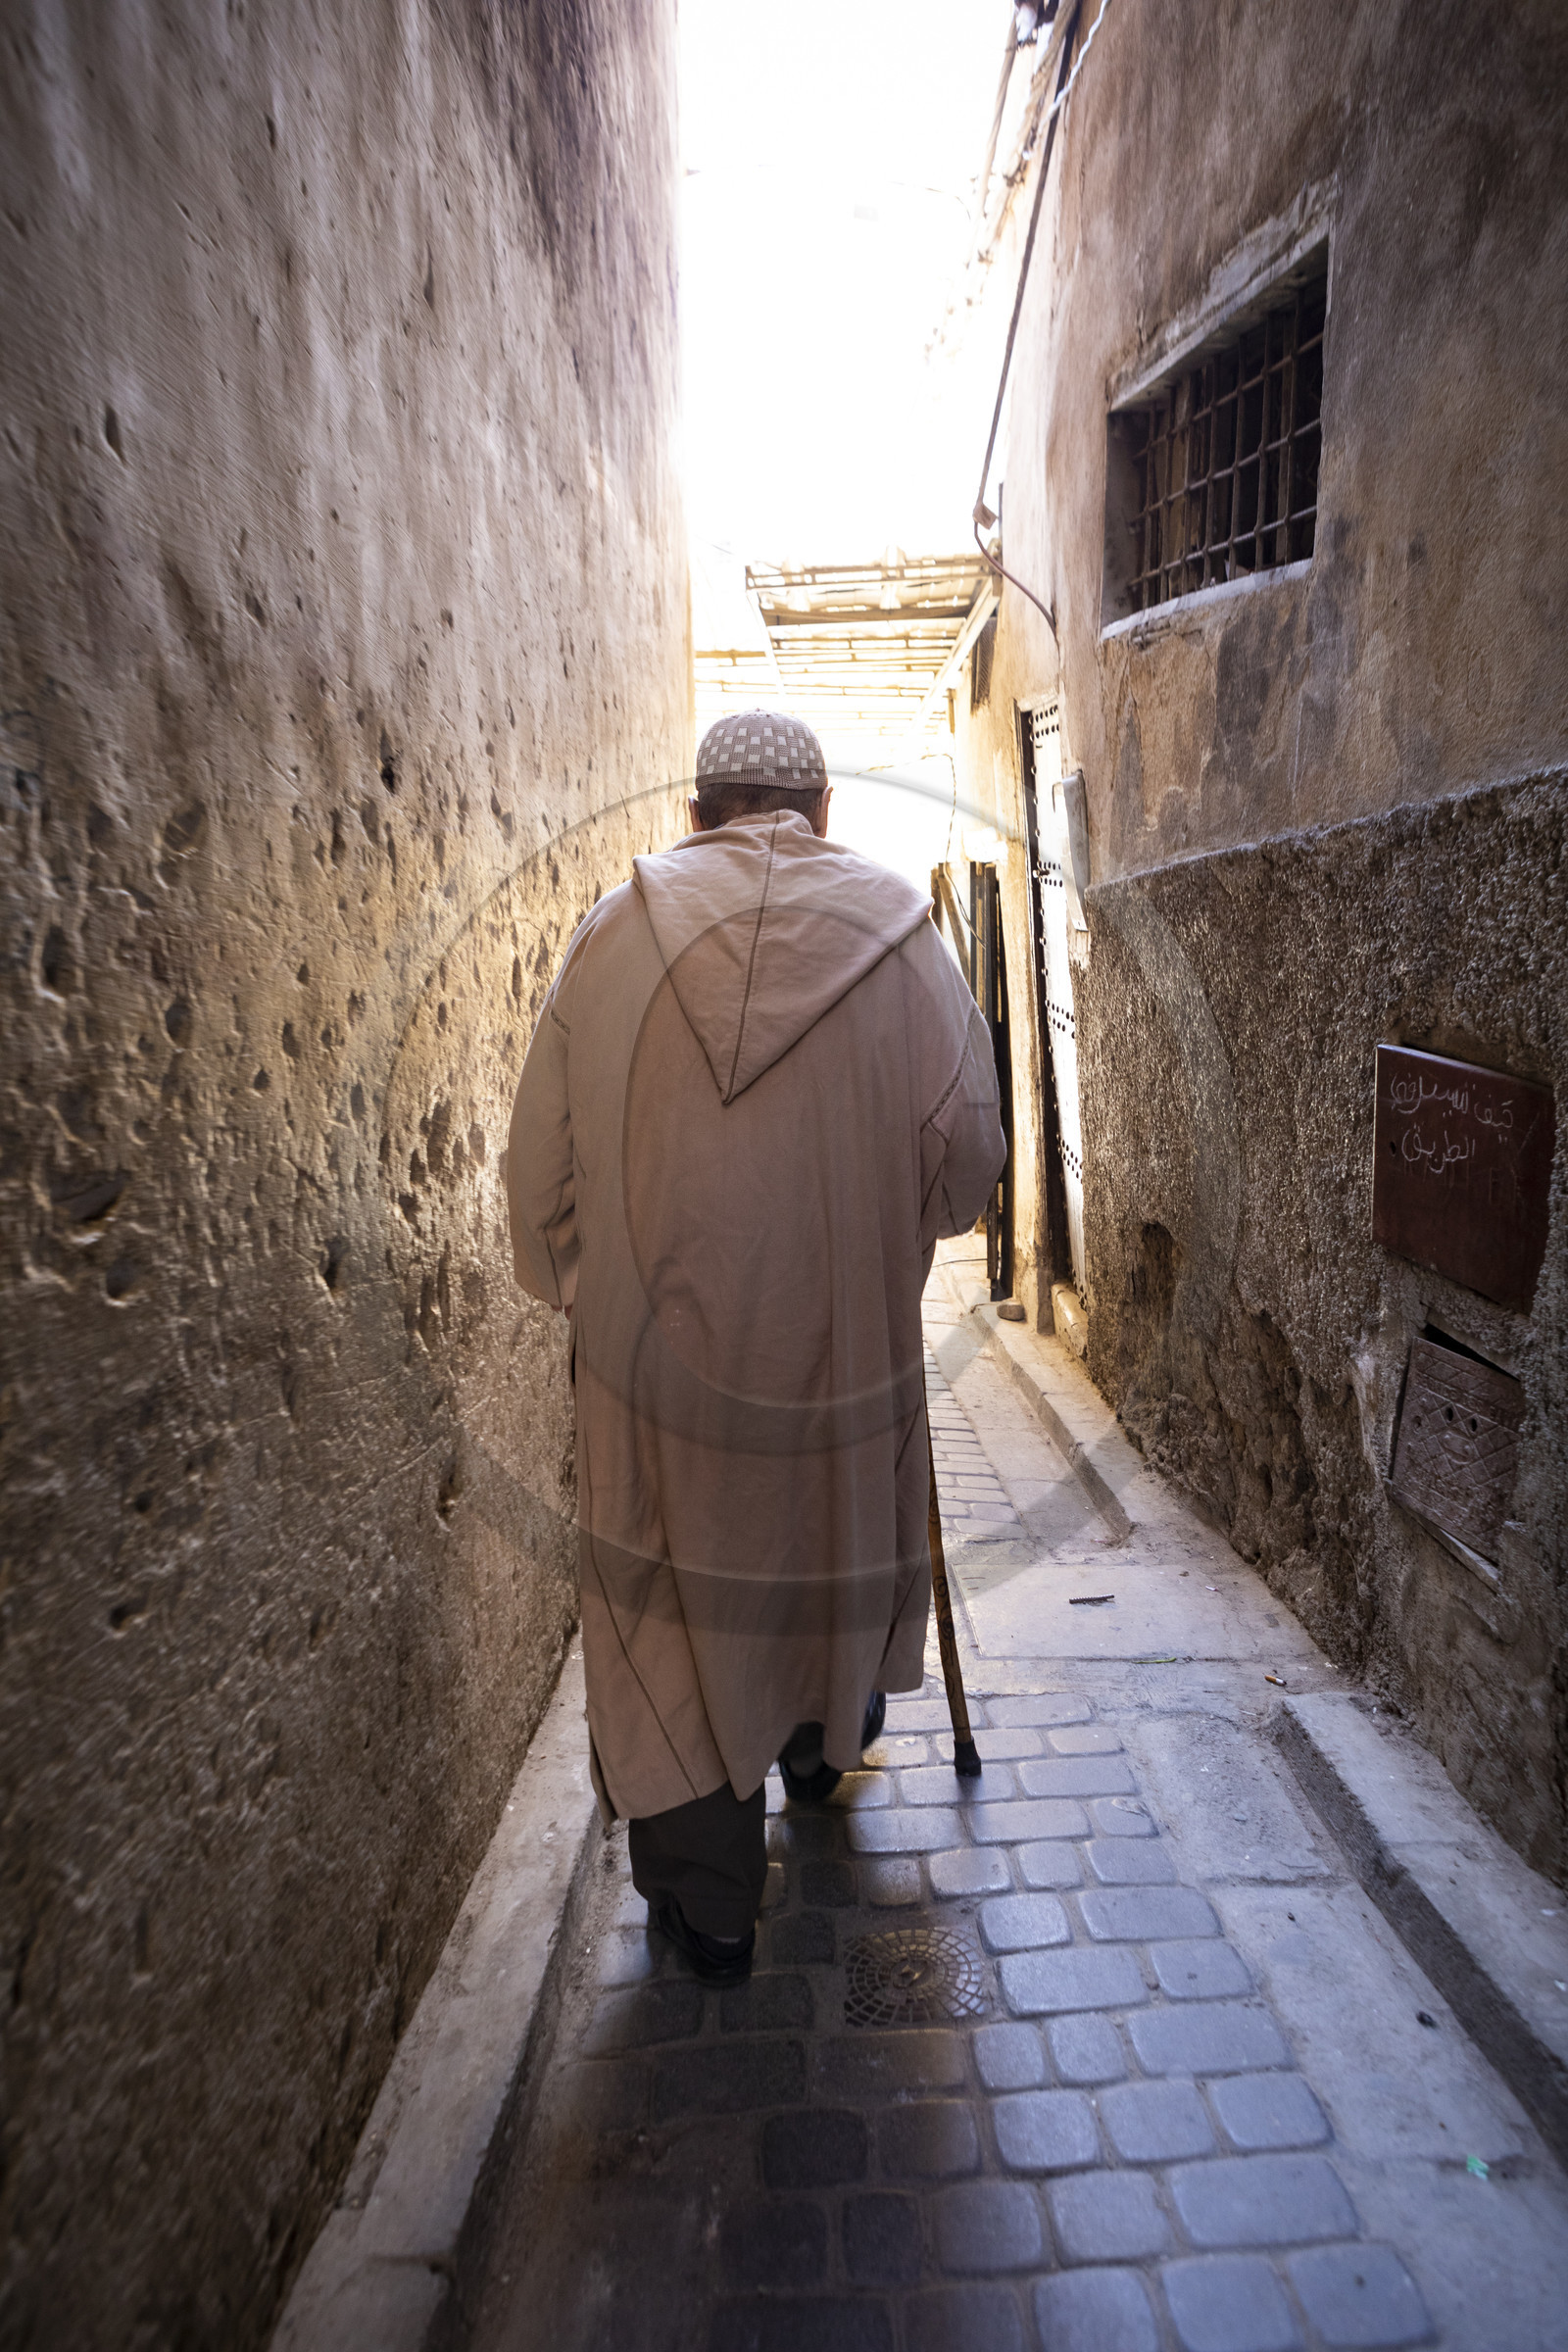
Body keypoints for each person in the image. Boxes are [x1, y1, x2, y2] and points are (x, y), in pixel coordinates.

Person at [506, 710, 1004, 1982]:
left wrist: (588, 1282)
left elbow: (538, 1180)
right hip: (843, 1352)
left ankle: (713, 1902)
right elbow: (972, 1162)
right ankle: (818, 1741)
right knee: (827, 1550)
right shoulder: (901, 933)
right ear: (819, 811)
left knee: (674, 1615)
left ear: (698, 810)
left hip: (656, 1376)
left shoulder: (611, 936)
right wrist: (890, 1239)